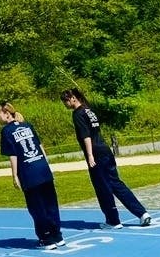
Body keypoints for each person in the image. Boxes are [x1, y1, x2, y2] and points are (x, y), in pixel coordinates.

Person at [60, 88, 152, 229]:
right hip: (105, 150)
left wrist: (90, 155)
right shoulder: (89, 110)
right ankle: (142, 213)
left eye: (66, 100)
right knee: (116, 183)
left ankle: (113, 221)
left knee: (102, 187)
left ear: (73, 98)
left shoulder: (78, 114)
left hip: (96, 153)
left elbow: (86, 136)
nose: (65, 104)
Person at [0, 102, 65, 249]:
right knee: (50, 203)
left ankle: (46, 238)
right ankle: (57, 235)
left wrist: (15, 175)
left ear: (6, 114)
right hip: (42, 168)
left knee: (36, 206)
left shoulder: (6, 131)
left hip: (28, 171)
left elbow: (13, 155)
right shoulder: (27, 125)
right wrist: (46, 164)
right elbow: (40, 146)